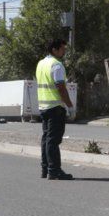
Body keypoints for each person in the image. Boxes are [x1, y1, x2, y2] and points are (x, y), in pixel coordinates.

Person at [36, 39, 76, 180]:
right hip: (55, 108)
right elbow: (61, 87)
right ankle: (54, 170)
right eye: (62, 49)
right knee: (53, 140)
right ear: (54, 49)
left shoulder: (41, 64)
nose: (64, 51)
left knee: (46, 139)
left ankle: (45, 169)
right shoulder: (57, 65)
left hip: (43, 107)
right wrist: (70, 106)